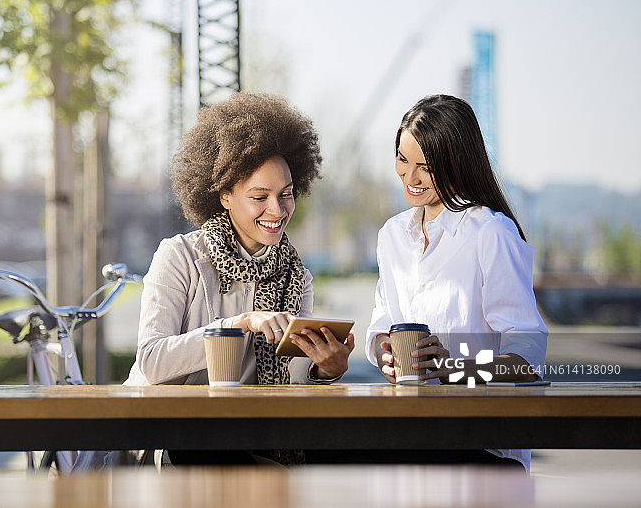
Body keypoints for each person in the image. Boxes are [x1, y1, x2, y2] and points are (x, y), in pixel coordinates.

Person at [76, 92, 354, 469]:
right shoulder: (180, 257)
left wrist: (326, 369)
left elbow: (294, 383)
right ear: (225, 195)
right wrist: (238, 324)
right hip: (172, 438)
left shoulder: (295, 277)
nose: (277, 209)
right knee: (207, 448)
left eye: (286, 194)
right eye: (260, 196)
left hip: (248, 439)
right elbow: (152, 361)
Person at [365, 94, 548, 471]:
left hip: (483, 445)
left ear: (456, 164)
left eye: (425, 167)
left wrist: (454, 368)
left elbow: (528, 362)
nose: (409, 177)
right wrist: (385, 351)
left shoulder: (491, 233)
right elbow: (382, 321)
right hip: (411, 433)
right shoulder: (392, 235)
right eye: (402, 159)